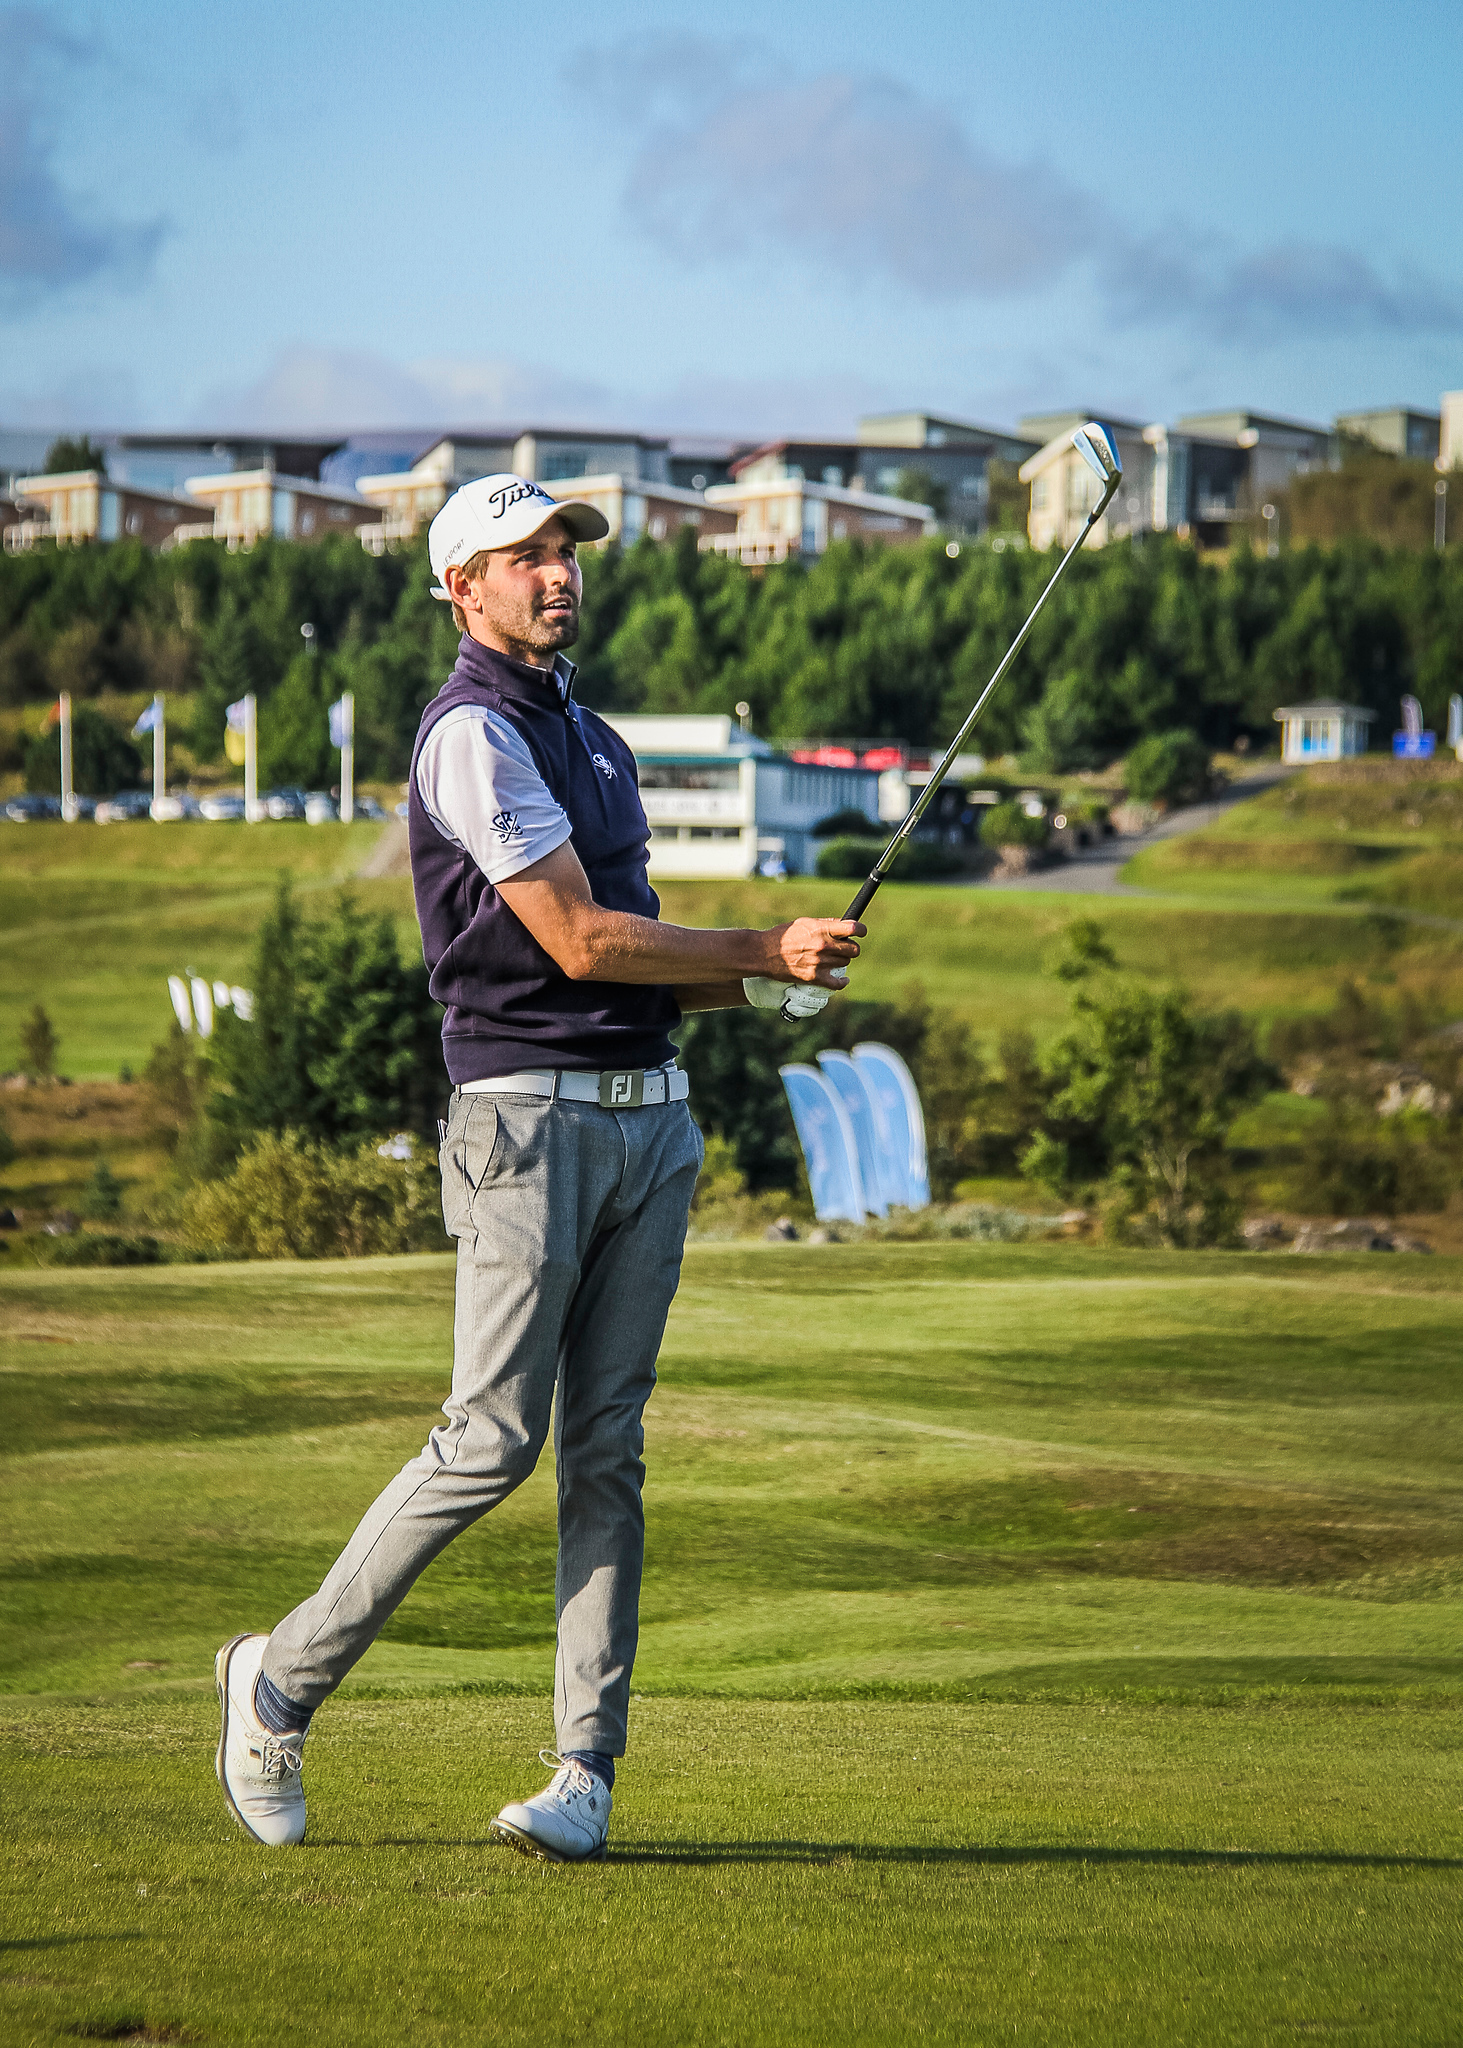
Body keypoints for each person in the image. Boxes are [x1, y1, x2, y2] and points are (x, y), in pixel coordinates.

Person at [215, 475, 864, 1862]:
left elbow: (638, 951)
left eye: (567, 550)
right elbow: (574, 941)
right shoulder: (471, 736)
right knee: (492, 1440)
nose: (559, 572)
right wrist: (761, 948)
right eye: (528, 555)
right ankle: (275, 1687)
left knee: (609, 1454)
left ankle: (585, 1776)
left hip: (652, 1124)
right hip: (526, 1127)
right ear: (464, 584)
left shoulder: (595, 739)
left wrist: (759, 990)